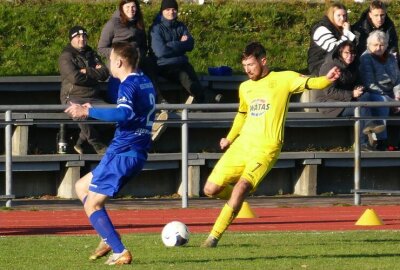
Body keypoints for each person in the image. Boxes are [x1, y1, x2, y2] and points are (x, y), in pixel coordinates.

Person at [201, 42, 341, 248]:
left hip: (266, 148)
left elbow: (312, 83)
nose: (247, 70)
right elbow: (242, 114)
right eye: (244, 66)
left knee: (240, 187)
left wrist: (327, 79)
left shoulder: (283, 79)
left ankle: (212, 238)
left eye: (251, 64)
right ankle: (236, 201)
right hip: (242, 145)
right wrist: (230, 138)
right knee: (210, 189)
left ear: (263, 61)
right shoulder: (245, 87)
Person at [64, 42, 156, 265]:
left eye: (110, 59)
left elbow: (123, 114)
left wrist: (88, 111)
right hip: (132, 151)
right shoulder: (145, 81)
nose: (108, 64)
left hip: (124, 152)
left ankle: (119, 250)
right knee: (81, 187)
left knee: (92, 204)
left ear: (119, 62)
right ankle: (107, 238)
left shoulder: (128, 85)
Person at [98, 0, 168, 142]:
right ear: (122, 8)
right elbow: (101, 48)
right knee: (120, 101)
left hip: (136, 65)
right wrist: (119, 54)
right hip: (119, 67)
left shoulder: (139, 24)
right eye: (128, 7)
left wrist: (138, 55)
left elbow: (144, 46)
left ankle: (158, 106)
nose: (131, 10)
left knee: (148, 68)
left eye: (134, 7)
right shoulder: (113, 24)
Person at [316, 40, 384, 151]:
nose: (350, 56)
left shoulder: (353, 66)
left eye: (352, 53)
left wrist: (359, 88)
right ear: (340, 53)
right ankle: (363, 143)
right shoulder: (331, 66)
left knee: (366, 96)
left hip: (348, 101)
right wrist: (351, 93)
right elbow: (329, 92)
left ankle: (374, 133)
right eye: (347, 53)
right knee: (361, 108)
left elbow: (359, 82)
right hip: (330, 104)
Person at [58, 26, 109, 154]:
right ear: (71, 39)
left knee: (114, 113)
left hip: (94, 97)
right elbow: (75, 78)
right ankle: (97, 144)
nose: (82, 39)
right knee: (80, 115)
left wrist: (86, 71)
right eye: (78, 36)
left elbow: (104, 73)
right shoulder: (66, 56)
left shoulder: (91, 54)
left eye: (84, 36)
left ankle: (80, 141)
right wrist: (95, 75)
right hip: (72, 97)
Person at [359, 30, 400, 150]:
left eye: (382, 45)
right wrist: (391, 100)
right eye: (375, 45)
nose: (379, 48)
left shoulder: (391, 58)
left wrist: (397, 95)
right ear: (369, 45)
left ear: (386, 45)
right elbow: (369, 83)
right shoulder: (366, 58)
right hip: (373, 92)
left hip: (391, 92)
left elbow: (398, 79)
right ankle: (381, 141)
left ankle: (397, 142)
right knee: (383, 102)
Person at [307, 3, 356, 76]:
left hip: (336, 61)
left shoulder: (341, 28)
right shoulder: (322, 29)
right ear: (331, 16)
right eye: (338, 15)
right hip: (320, 65)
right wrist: (347, 32)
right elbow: (335, 49)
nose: (342, 18)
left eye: (344, 15)